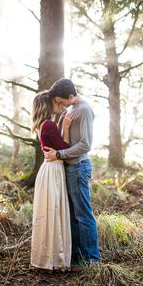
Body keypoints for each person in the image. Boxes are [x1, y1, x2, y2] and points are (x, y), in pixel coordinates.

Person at [44, 79, 100, 265]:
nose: (59, 105)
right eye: (56, 103)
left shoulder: (83, 109)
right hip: (69, 168)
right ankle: (78, 257)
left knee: (83, 214)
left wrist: (59, 154)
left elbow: (85, 145)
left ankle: (92, 258)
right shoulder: (70, 110)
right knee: (73, 216)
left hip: (79, 167)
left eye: (61, 102)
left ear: (71, 97)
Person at [30, 91, 73, 271]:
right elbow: (65, 148)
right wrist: (67, 127)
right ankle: (54, 259)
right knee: (53, 210)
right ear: (48, 105)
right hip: (53, 170)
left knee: (51, 211)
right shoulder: (49, 124)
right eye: (55, 103)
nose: (59, 105)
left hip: (51, 169)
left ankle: (51, 257)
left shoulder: (45, 124)